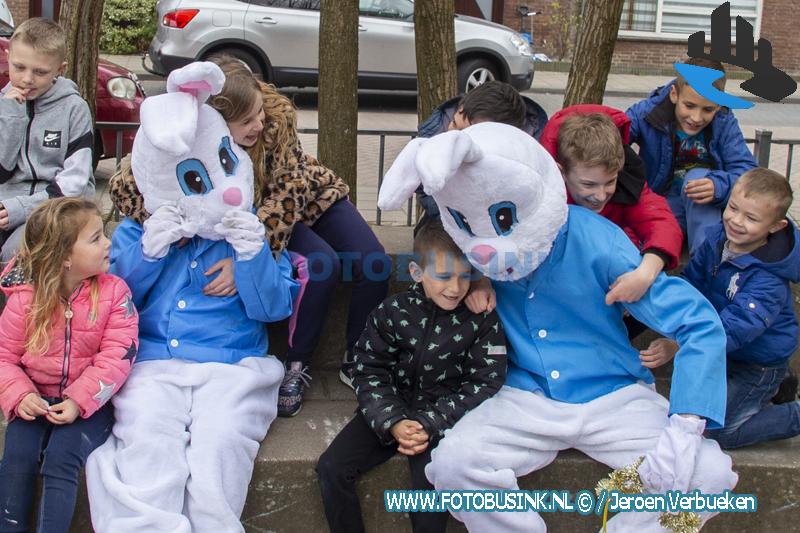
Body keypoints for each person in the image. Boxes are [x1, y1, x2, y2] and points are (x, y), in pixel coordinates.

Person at [377, 122, 737, 532]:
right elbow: (438, 265)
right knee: (455, 464)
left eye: (504, 217)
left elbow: (698, 322)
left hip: (614, 395)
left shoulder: (600, 239)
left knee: (708, 478)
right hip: (522, 394)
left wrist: (686, 426)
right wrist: (476, 277)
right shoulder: (471, 246)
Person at [108, 56, 389, 417]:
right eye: (247, 121)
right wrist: (173, 224)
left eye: (259, 113)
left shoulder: (275, 121)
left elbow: (289, 195)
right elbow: (127, 187)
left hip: (302, 201)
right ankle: (298, 363)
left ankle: (359, 357)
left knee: (375, 262)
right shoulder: (195, 134)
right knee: (323, 266)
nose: (259, 123)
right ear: (217, 122)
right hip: (251, 213)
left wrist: (245, 261)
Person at [85, 61, 299, 532]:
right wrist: (149, 251)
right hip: (154, 362)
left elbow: (273, 308)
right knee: (145, 437)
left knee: (219, 444)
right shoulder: (140, 229)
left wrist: (251, 257)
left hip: (231, 363)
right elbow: (113, 299)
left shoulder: (247, 229)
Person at [315, 219, 507, 533]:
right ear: (417, 273)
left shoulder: (480, 320)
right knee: (331, 468)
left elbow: (486, 380)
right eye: (443, 276)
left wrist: (431, 422)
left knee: (431, 497)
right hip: (390, 408)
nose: (456, 288)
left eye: (465, 276)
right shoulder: (392, 312)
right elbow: (368, 369)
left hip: (442, 420)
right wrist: (391, 420)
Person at [0, 198, 138, 533]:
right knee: (17, 458)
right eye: (95, 238)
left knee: (62, 457)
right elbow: (5, 357)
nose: (108, 242)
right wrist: (20, 397)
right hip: (34, 400)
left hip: (90, 405)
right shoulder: (24, 298)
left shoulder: (115, 293)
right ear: (63, 258)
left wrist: (79, 401)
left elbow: (118, 355)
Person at [643, 168, 800, 449]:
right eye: (733, 208)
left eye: (751, 218)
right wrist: (646, 299)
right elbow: (691, 284)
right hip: (722, 353)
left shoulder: (769, 280)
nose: (736, 221)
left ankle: (792, 413)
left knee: (719, 431)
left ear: (776, 226)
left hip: (757, 363)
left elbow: (735, 328)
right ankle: (777, 386)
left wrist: (678, 345)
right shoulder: (717, 239)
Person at [539, 106, 683, 312]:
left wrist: (645, 273)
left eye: (610, 182)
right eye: (589, 185)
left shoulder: (627, 180)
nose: (600, 195)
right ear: (561, 172)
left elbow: (660, 221)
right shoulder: (538, 189)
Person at [626, 57, 756, 254]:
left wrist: (718, 186)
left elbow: (747, 173)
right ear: (674, 94)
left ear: (719, 106)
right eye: (689, 105)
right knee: (649, 242)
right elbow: (616, 133)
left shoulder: (724, 123)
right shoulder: (649, 111)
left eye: (707, 109)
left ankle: (705, 263)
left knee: (697, 178)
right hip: (662, 203)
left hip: (705, 209)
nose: (696, 118)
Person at [0, 18, 94, 262]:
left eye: (40, 72)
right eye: (19, 67)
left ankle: (28, 301)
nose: (27, 79)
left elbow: (75, 182)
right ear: (7, 56)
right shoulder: (3, 105)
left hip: (55, 208)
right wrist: (11, 115)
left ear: (60, 69)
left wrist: (22, 208)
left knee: (18, 252)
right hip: (6, 205)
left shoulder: (74, 109)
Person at [414, 80, 547, 228]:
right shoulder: (439, 132)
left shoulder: (527, 153)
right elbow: (422, 190)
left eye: (470, 136)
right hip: (446, 220)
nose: (455, 137)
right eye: (455, 124)